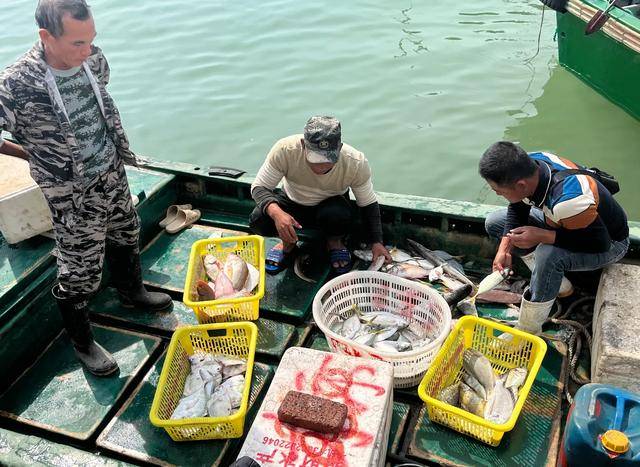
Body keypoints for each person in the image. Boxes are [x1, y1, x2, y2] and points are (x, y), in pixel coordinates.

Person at [0, 0, 172, 376]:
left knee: (128, 230)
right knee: (79, 269)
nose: (88, 50)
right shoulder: (16, 83)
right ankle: (83, 342)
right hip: (70, 192)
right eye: (78, 43)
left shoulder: (93, 60)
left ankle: (132, 292)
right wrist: (31, 153)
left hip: (110, 170)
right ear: (46, 37)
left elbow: (98, 100)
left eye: (91, 40)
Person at [480, 141, 629, 335]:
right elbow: (518, 205)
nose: (497, 192)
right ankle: (559, 285)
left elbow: (598, 243)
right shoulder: (532, 164)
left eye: (497, 189)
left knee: (547, 253)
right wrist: (504, 249)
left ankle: (528, 328)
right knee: (495, 222)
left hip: (610, 244)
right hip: (564, 222)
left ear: (521, 185)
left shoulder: (568, 202)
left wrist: (541, 236)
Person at [250, 116, 391, 275]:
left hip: (332, 207)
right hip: (292, 202)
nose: (322, 166)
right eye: (315, 159)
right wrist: (277, 213)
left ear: (340, 148)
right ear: (303, 145)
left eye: (329, 159)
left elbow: (368, 203)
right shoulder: (285, 150)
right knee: (258, 219)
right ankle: (287, 243)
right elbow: (259, 187)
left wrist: (377, 242)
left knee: (337, 214)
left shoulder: (355, 162)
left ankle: (334, 242)